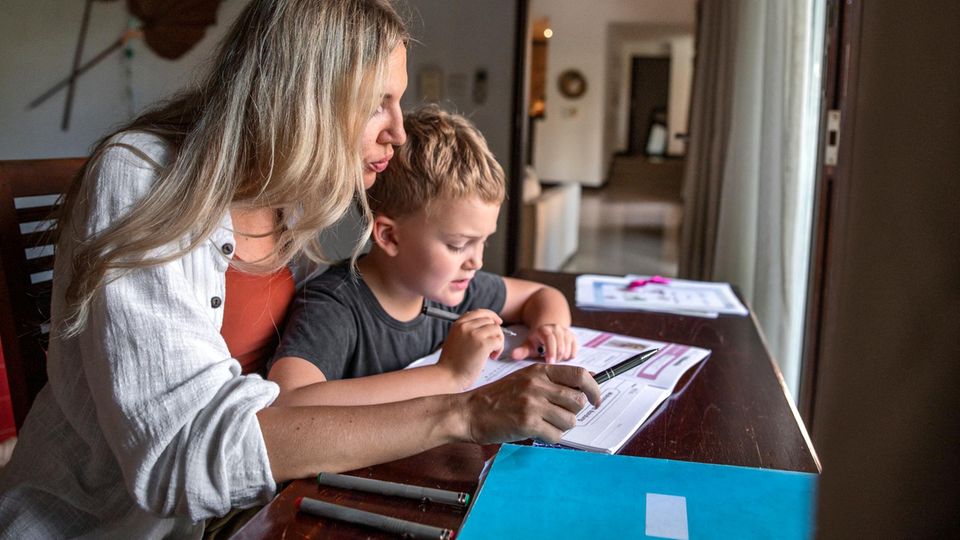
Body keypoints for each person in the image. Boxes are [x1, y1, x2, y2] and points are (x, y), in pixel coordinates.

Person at [0, 1, 601, 537]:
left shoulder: (286, 198)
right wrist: (463, 409)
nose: (398, 130)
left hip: (264, 503)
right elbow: (184, 459)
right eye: (377, 105)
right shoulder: (140, 178)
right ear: (304, 97)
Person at [269, 105, 579, 407]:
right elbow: (289, 401)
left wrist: (550, 328)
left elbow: (542, 294)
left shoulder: (451, 287)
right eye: (458, 245)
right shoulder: (333, 306)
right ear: (390, 236)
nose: (476, 261)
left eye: (483, 242)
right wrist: (448, 375)